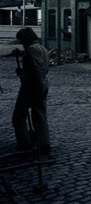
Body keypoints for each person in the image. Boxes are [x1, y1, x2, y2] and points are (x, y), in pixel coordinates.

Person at [12, 27, 51, 156]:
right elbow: (38, 68)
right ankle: (44, 144)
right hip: (41, 84)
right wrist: (23, 71)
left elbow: (37, 70)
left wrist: (39, 87)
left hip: (32, 87)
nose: (22, 43)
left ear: (26, 39)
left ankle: (25, 143)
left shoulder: (32, 50)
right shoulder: (42, 48)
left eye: (22, 41)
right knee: (39, 115)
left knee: (18, 116)